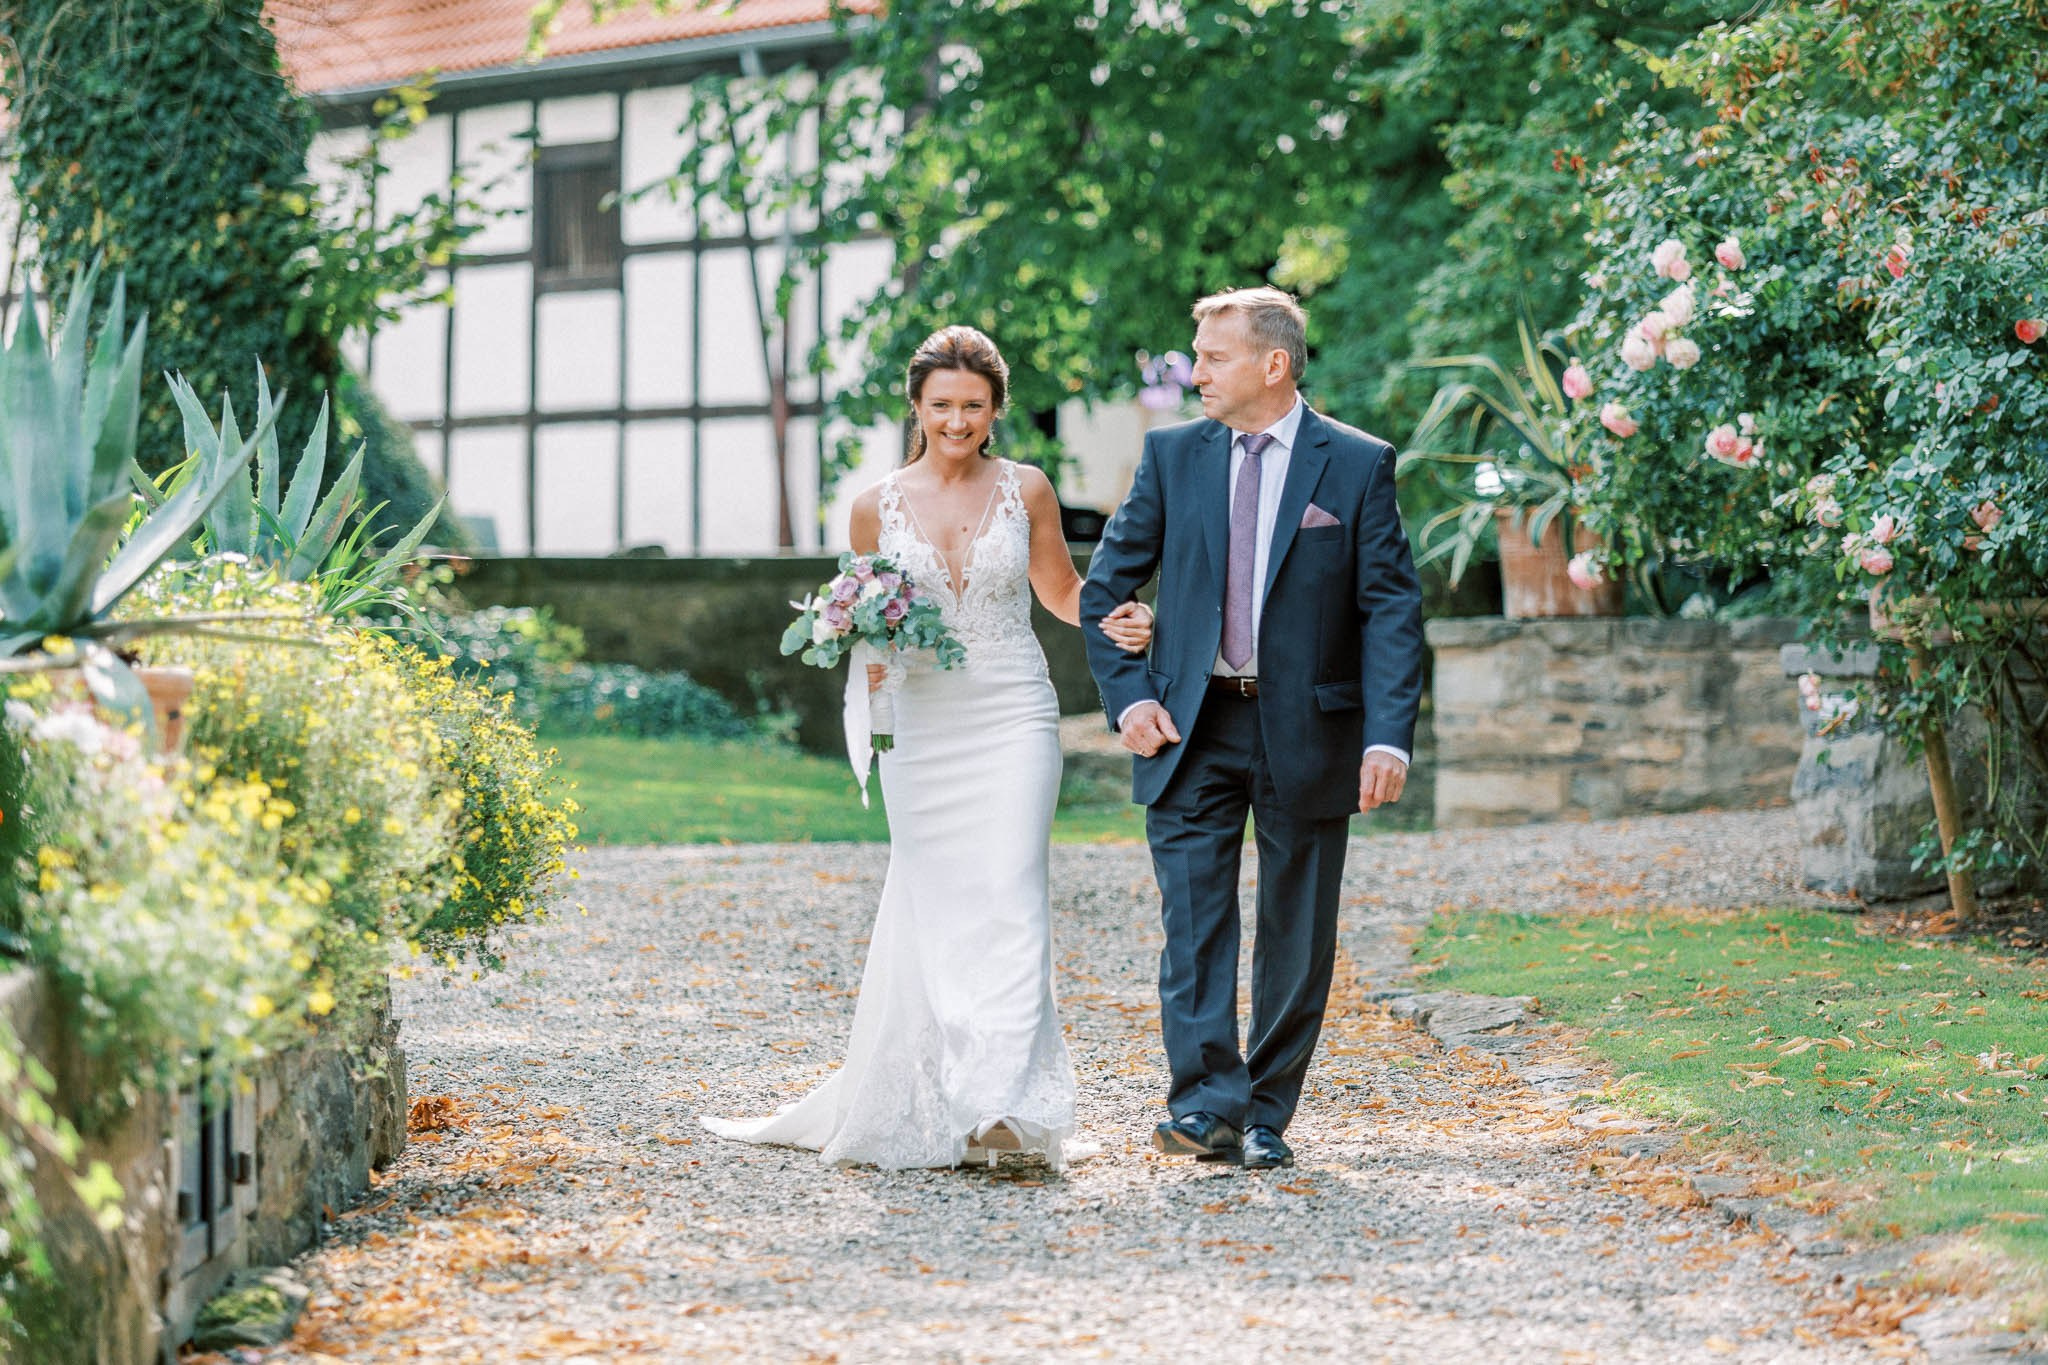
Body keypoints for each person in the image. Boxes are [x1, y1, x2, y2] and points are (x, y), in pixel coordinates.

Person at [702, 325, 1152, 1169]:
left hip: (1013, 709)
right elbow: (865, 615)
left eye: (973, 406)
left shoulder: (1028, 489)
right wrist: (858, 662)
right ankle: (944, 1091)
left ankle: (1004, 1107)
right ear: (916, 406)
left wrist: (1113, 615)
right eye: (941, 405)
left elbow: (1060, 590)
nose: (957, 421)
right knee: (941, 906)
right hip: (921, 724)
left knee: (1014, 892)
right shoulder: (876, 504)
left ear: (995, 410)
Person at [1079, 286, 1424, 1171]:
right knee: (1192, 923)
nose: (1195, 373)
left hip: (1308, 728)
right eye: (1196, 356)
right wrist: (1129, 696)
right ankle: (1206, 1107)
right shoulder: (1170, 457)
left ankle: (1267, 1111)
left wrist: (1388, 736)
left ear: (1273, 364)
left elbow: (1389, 609)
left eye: (1214, 357)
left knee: (1297, 928)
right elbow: (1105, 589)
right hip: (1188, 729)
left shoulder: (1355, 464)